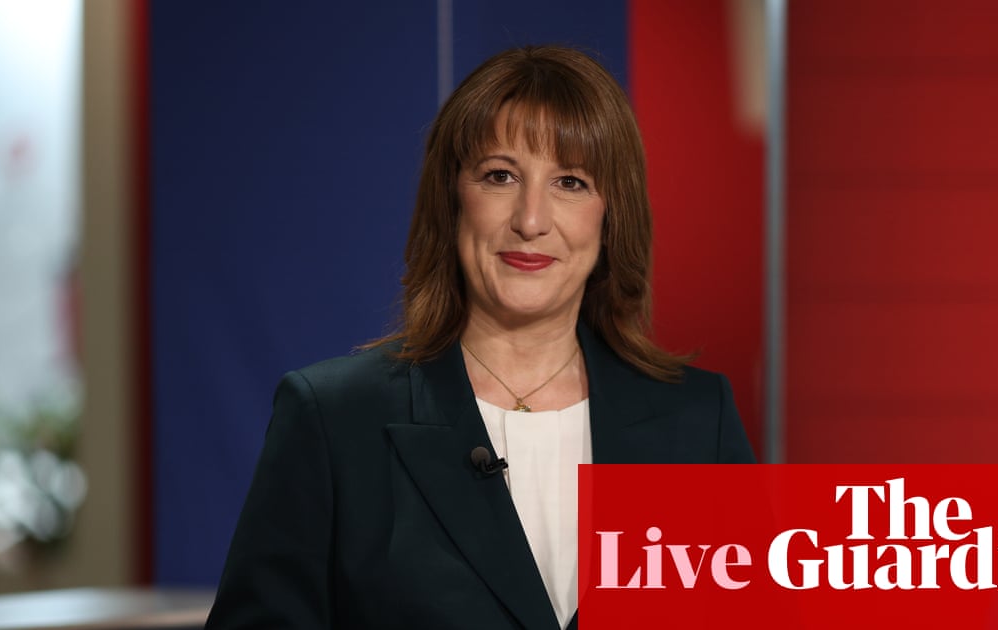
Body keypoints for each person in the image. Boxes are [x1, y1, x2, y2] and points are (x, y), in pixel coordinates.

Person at [204, 45, 755, 630]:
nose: (531, 220)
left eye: (570, 182)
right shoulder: (333, 419)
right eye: (500, 176)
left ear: (611, 216)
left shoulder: (699, 421)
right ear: (452, 200)